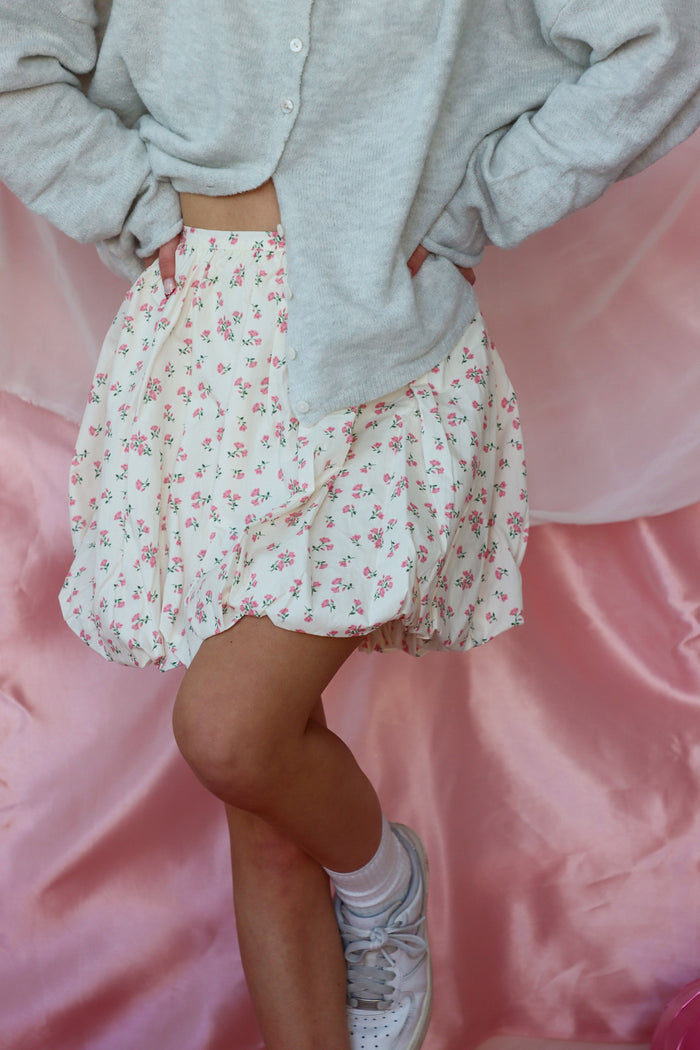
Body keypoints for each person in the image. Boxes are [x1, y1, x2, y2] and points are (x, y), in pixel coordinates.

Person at [0, 3, 698, 1049]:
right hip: (198, 358)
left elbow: (663, 40)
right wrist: (133, 208)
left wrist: (478, 205)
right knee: (266, 800)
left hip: (383, 347)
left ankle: (380, 879)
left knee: (231, 732)